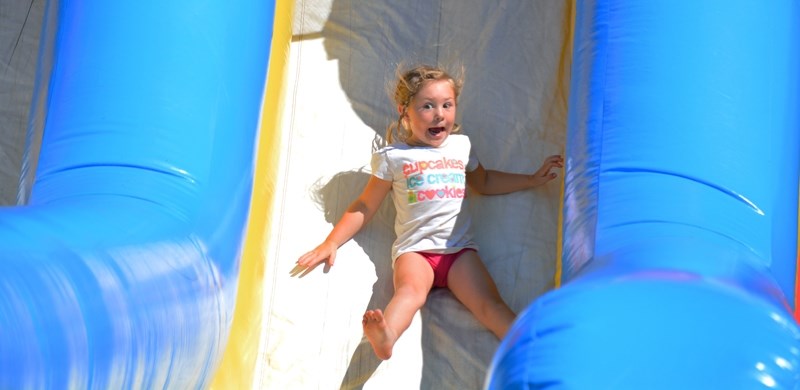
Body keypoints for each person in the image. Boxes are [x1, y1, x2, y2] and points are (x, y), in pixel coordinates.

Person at [297, 64, 563, 360]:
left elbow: (484, 182)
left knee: (489, 304)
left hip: (459, 251)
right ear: (404, 111)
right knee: (410, 293)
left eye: (447, 105)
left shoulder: (460, 147)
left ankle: (532, 349)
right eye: (427, 106)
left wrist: (530, 179)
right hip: (416, 251)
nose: (440, 114)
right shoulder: (394, 157)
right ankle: (387, 337)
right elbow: (365, 204)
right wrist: (332, 241)